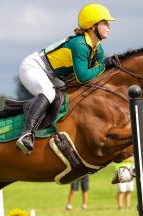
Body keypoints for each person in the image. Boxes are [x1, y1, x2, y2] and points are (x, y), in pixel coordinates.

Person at [16, 3, 116, 154]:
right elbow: (83, 77)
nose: (109, 26)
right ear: (92, 26)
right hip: (34, 67)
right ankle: (26, 134)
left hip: (51, 74)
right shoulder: (80, 44)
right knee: (49, 93)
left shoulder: (98, 49)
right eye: (105, 23)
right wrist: (104, 66)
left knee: (67, 97)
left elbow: (95, 77)